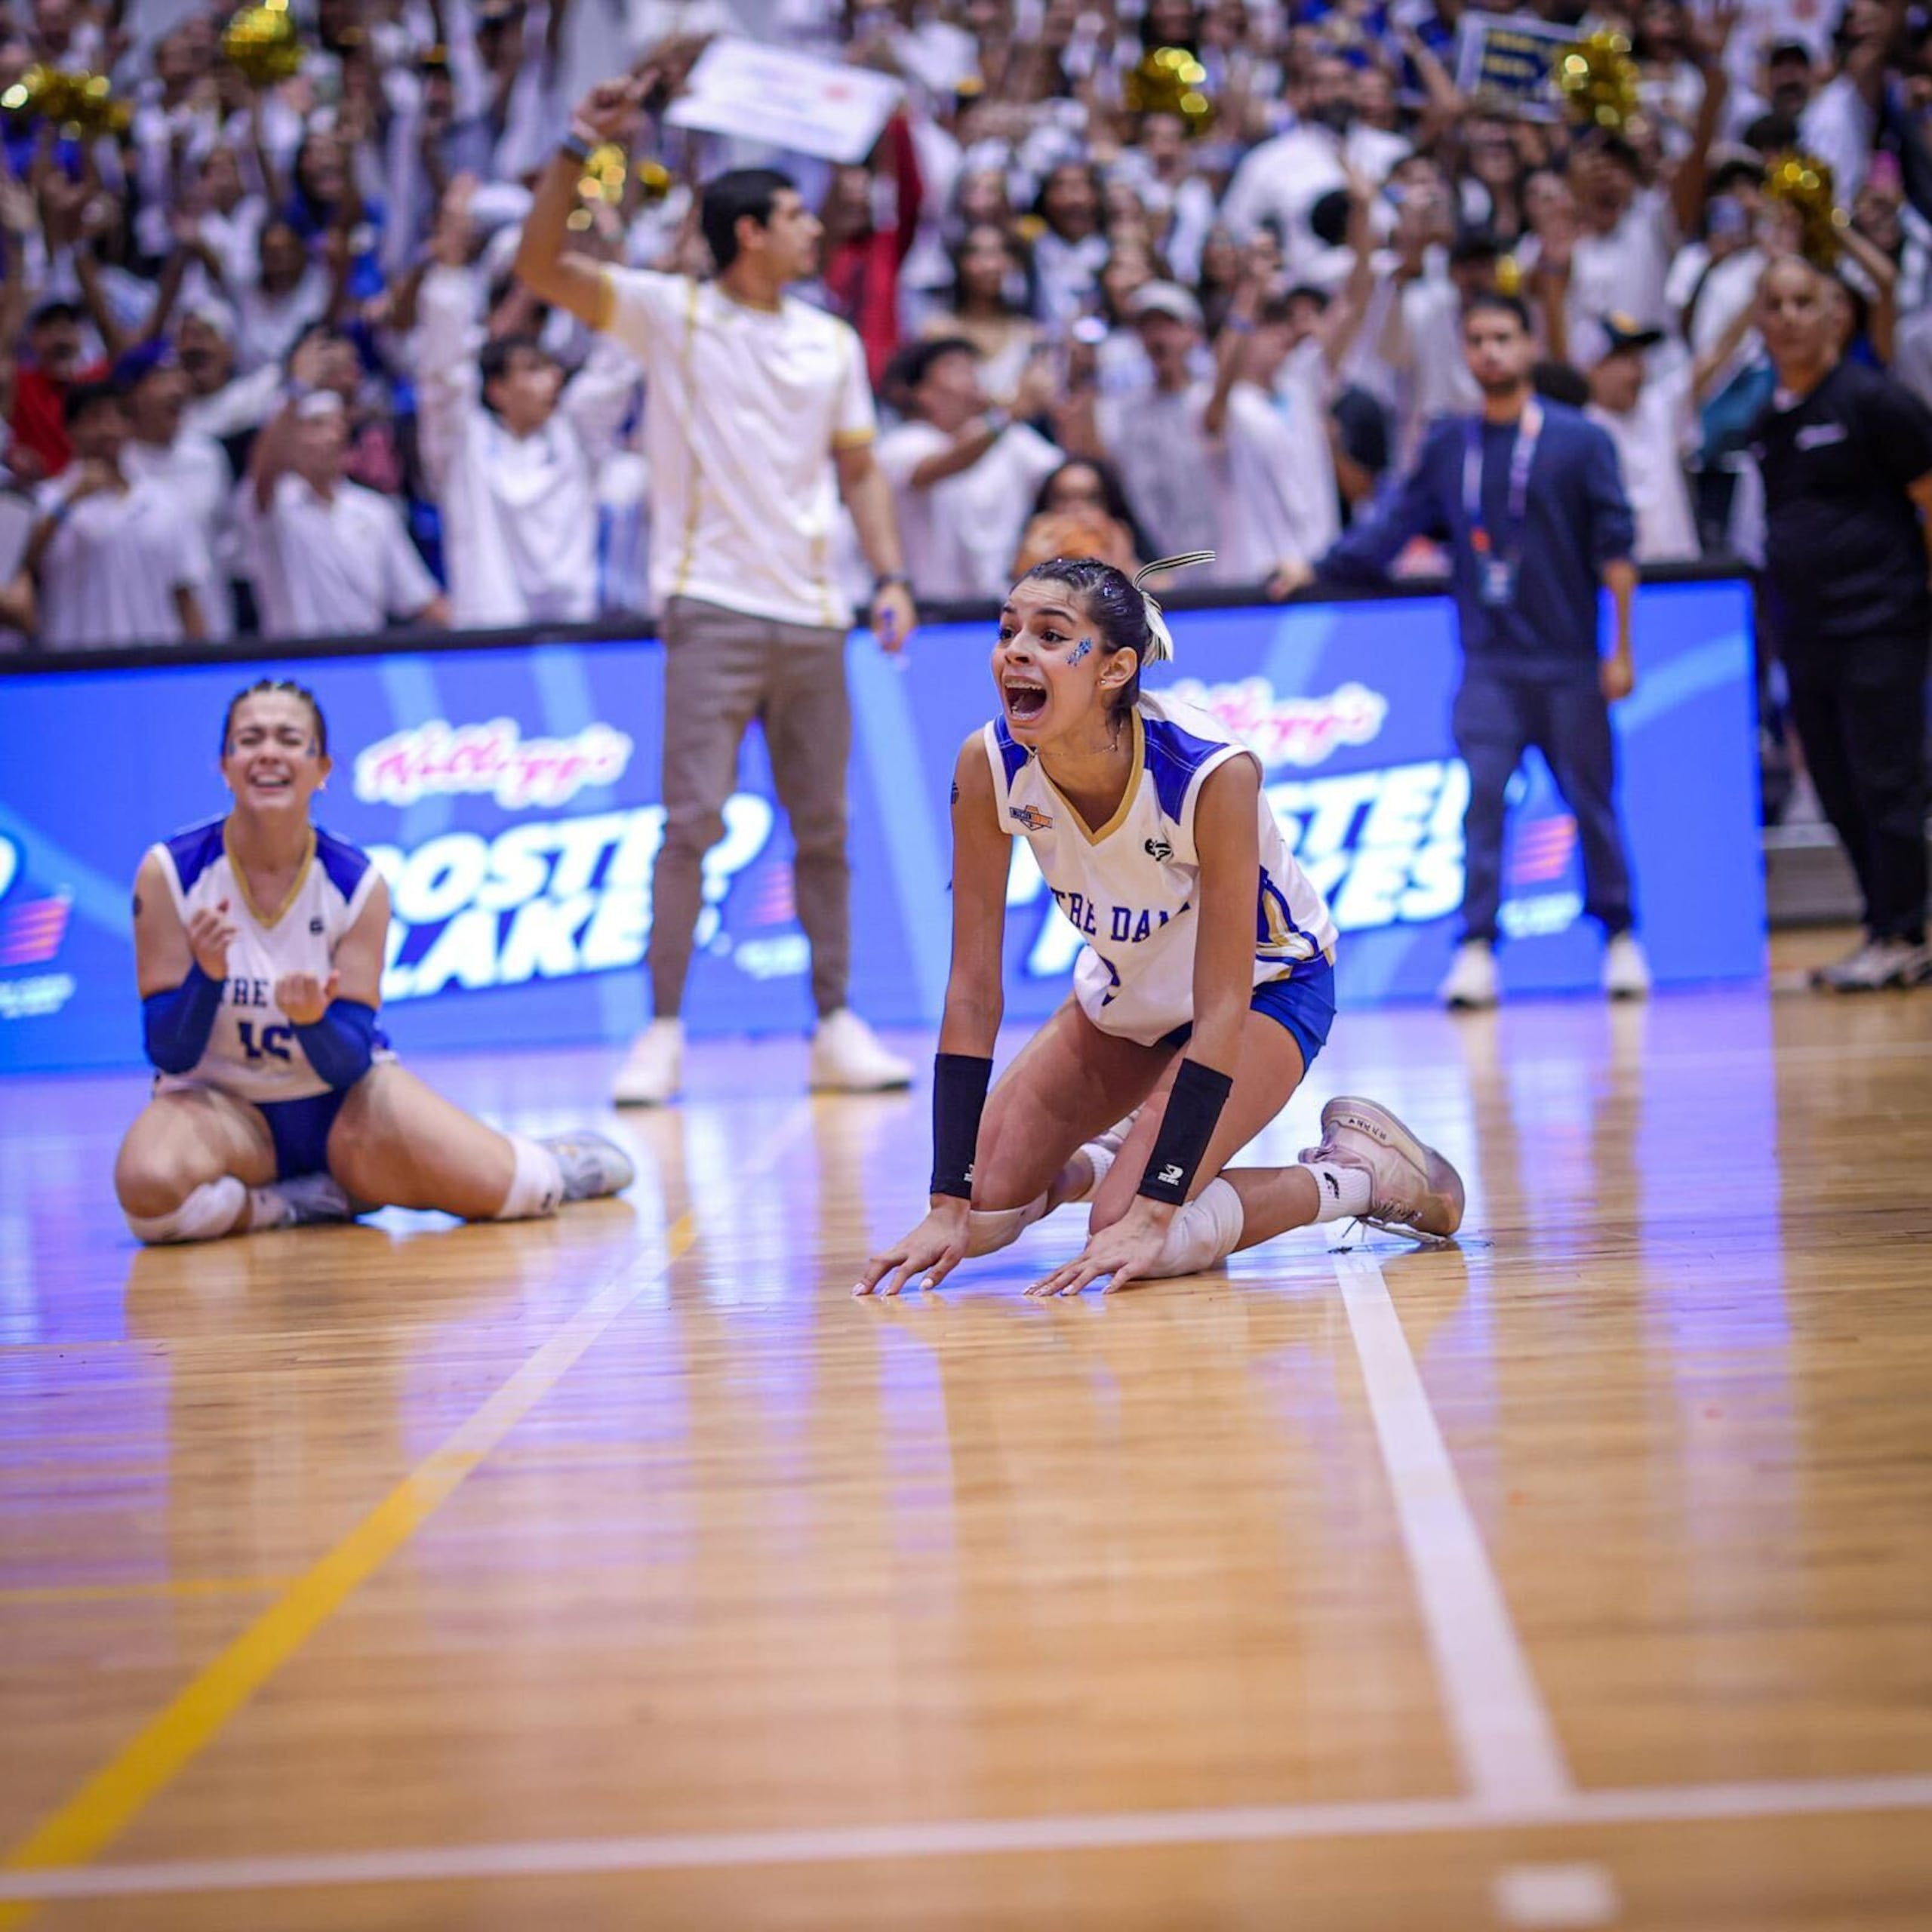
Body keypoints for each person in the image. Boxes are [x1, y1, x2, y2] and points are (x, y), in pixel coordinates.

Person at [854, 555, 1463, 1299]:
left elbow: (1219, 1008)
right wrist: (944, 1202)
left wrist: (1153, 1204)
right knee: (981, 1208)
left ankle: (1357, 1177)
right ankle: (1122, 1153)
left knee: (1136, 1232)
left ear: (1113, 669)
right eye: (1008, 629)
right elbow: (973, 991)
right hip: (1130, 998)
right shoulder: (989, 765)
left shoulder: (1209, 774)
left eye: (1050, 635)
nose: (1015, 650)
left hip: (1266, 990)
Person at [515, 80, 919, 1105]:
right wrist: (579, 144)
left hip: (817, 613)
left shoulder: (828, 341)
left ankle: (834, 1022)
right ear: (749, 232)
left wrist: (892, 577)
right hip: (710, 608)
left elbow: (860, 469)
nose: (813, 228)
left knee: (823, 829)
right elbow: (539, 267)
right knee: (689, 823)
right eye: (793, 216)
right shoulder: (672, 313)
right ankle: (661, 1031)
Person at [115, 679, 634, 1245]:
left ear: (322, 768)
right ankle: (288, 1208)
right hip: (221, 1108)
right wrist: (207, 980)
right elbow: (167, 1050)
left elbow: (348, 1060)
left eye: (290, 739)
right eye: (250, 739)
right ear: (225, 764)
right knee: (149, 1194)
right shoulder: (170, 873)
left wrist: (311, 1019)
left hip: (344, 1106)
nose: (268, 752)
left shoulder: (356, 883)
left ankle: (554, 1163)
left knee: (515, 1195)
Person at [1290, 292, 1650, 1009]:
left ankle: (1619, 937)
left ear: (1528, 347)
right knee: (1481, 804)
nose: (1490, 351)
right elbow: (1394, 526)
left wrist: (1622, 650)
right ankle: (1478, 948)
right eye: (1477, 339)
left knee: (1592, 803)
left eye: (1504, 338)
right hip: (1489, 664)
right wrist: (1320, 568)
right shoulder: (1452, 444)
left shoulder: (1581, 441)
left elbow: (1617, 551)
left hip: (1571, 660)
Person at [1749, 254, 1932, 990]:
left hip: (1880, 622)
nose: (1789, 316)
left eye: (1803, 302)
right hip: (1806, 632)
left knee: (1888, 781)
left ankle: (1908, 930)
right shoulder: (1769, 418)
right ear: (1759, 321)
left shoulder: (1873, 400)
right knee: (1834, 785)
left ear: (1835, 315)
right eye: (1775, 304)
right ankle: (1880, 924)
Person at [240, 392, 450, 638]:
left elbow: (420, 599)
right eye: (316, 425)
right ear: (288, 438)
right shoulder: (272, 507)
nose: (332, 436)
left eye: (337, 424)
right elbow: (262, 474)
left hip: (360, 663)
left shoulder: (375, 511)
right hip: (293, 663)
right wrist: (297, 386)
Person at [20, 382, 211, 648]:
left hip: (156, 661)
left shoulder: (164, 503)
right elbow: (23, 567)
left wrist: (198, 663)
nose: (108, 429)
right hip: (72, 664)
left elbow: (185, 595)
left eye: (118, 417)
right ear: (70, 430)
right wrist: (70, 501)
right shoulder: (46, 501)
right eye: (96, 417)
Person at [877, 336, 1061, 601]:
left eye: (973, 367)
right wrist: (1011, 411)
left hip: (1006, 605)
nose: (971, 376)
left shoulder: (1012, 439)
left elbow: (1069, 476)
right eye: (955, 367)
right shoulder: (902, 444)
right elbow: (940, 466)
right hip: (931, 610)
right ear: (922, 393)